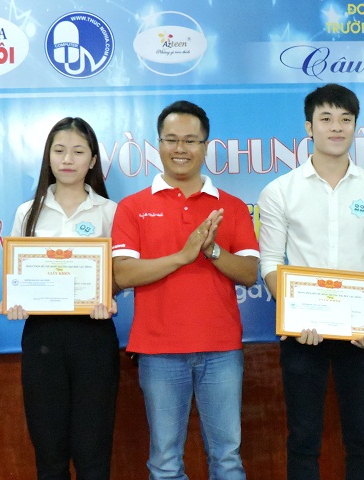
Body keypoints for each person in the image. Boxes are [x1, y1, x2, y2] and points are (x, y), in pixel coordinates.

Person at [111, 100, 259, 480]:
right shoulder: (132, 207)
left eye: (191, 140)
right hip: (158, 351)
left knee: (227, 459)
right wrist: (182, 256)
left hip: (221, 349)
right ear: (158, 144)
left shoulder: (231, 207)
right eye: (172, 139)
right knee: (165, 463)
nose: (181, 148)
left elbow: (249, 273)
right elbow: (122, 274)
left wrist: (211, 251)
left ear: (206, 146)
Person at [258, 83, 364, 480]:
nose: (336, 127)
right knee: (303, 439)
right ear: (309, 127)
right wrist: (295, 315)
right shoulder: (279, 191)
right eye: (326, 118)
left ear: (355, 126)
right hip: (303, 334)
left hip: (361, 334)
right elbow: (270, 262)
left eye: (345, 119)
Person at [0, 117, 120, 480]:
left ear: (93, 160)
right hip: (43, 339)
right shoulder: (28, 212)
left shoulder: (109, 211)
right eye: (59, 150)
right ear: (48, 157)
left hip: (94, 337)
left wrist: (109, 294)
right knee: (49, 454)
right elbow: (15, 275)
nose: (68, 159)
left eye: (78, 151)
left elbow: (119, 275)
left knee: (93, 454)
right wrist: (13, 299)